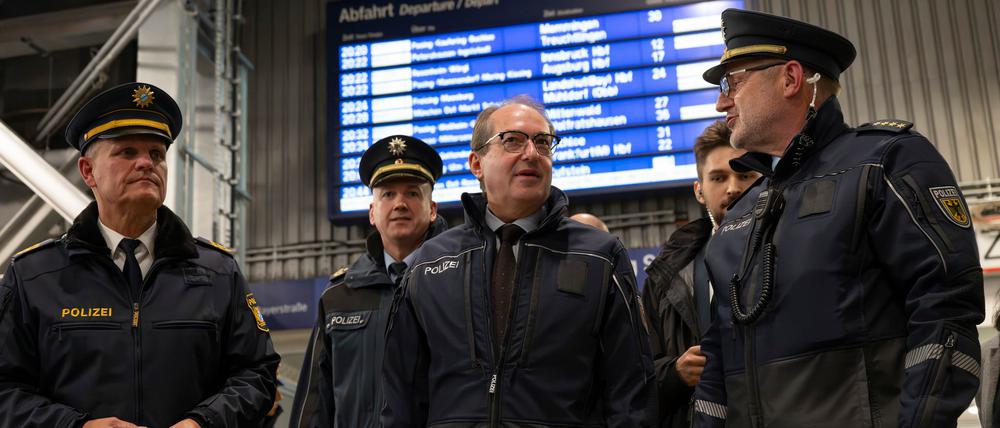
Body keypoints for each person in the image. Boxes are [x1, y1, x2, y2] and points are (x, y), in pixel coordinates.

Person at [691, 9, 984, 427]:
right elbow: (717, 368)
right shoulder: (739, 218)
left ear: (790, 79)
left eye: (732, 83)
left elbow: (945, 312)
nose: (721, 102)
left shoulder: (885, 163)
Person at [0, 82, 279, 427]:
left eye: (157, 154)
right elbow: (6, 389)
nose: (146, 163)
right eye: (127, 152)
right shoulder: (34, 276)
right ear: (88, 171)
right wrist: (75, 426)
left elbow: (257, 374)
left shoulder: (217, 272)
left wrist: (203, 422)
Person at [381, 96, 654, 427]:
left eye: (543, 142)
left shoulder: (600, 256)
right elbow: (402, 395)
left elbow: (630, 394)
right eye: (513, 140)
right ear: (477, 164)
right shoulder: (430, 263)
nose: (532, 153)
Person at [289, 135, 448, 428]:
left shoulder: (456, 284)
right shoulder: (339, 295)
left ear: (432, 210)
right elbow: (315, 398)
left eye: (413, 193)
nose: (400, 204)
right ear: (373, 213)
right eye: (388, 194)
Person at [641, 120, 758, 427]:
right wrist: (675, 374)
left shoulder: (794, 252)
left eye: (745, 175)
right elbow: (636, 376)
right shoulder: (664, 277)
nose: (733, 188)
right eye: (718, 177)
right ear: (699, 191)